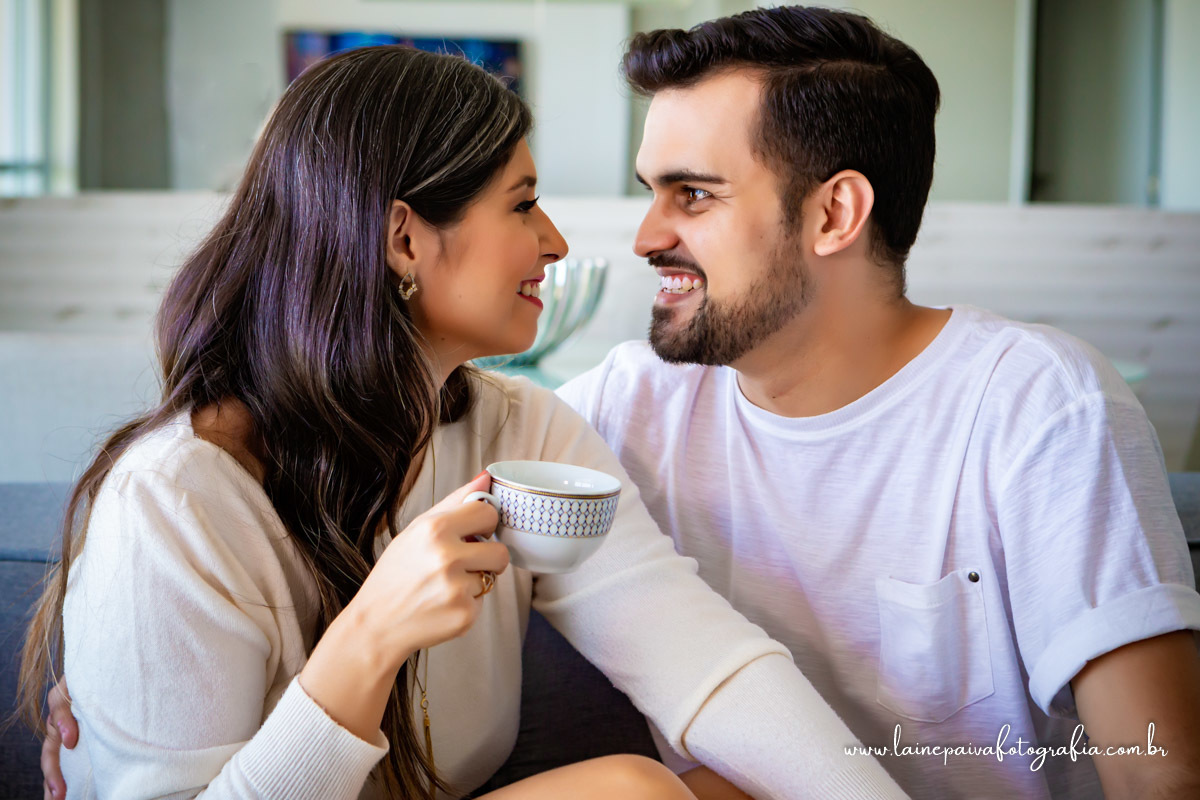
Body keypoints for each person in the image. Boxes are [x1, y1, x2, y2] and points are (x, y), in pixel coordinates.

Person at [20, 44, 910, 800]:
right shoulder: (175, 501)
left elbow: (704, 664)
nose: (556, 240)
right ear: (405, 238)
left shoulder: (527, 436)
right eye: (522, 204)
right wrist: (368, 639)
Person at [551, 6, 1200, 799]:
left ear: (835, 214)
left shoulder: (1036, 405)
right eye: (652, 192)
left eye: (693, 194)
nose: (647, 236)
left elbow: (1159, 775)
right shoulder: (632, 402)